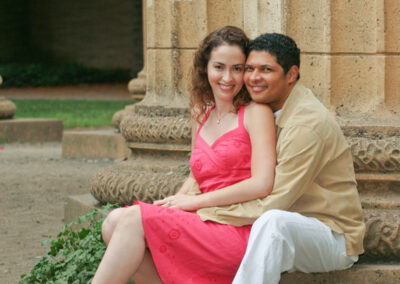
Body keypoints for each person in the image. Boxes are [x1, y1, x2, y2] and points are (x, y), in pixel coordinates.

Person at [91, 26, 277, 284]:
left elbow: (262, 183)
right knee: (112, 223)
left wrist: (194, 203)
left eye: (237, 68)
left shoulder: (256, 113)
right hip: (202, 219)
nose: (228, 77)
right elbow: (196, 173)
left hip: (237, 226)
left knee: (131, 221)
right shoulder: (200, 114)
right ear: (206, 69)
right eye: (219, 67)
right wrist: (177, 200)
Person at [195, 33, 366, 284]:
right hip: (281, 226)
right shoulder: (262, 111)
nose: (253, 77)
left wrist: (202, 210)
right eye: (250, 68)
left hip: (331, 236)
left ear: (291, 74)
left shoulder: (306, 125)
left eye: (266, 70)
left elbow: (273, 204)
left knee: (273, 222)